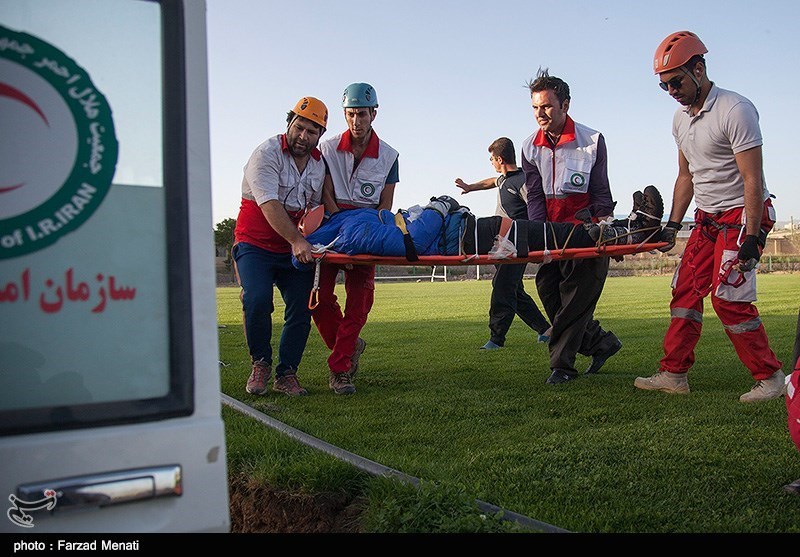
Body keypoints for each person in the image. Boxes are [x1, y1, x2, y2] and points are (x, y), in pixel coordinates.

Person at [634, 31, 784, 402]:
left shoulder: (736, 109)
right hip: (706, 217)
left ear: (699, 70)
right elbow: (686, 177)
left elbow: (752, 178)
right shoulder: (679, 121)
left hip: (743, 214)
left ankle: (771, 378)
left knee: (729, 299)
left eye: (677, 82)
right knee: (684, 292)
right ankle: (674, 375)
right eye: (664, 86)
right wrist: (672, 225)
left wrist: (752, 236)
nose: (672, 91)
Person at [522, 69, 630, 385]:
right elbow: (536, 197)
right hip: (553, 235)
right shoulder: (529, 147)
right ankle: (602, 343)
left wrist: (605, 232)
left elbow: (600, 193)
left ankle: (562, 367)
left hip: (587, 234)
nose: (540, 114)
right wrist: (539, 237)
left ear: (565, 105)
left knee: (574, 301)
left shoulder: (592, 141)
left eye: (546, 106)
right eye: (535, 108)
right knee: (548, 290)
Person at [232, 96, 329, 397]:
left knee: (302, 306)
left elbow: (318, 208)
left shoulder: (319, 165)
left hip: (293, 248)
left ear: (320, 136)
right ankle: (260, 363)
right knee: (258, 299)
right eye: (299, 127)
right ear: (289, 123)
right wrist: (297, 240)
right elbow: (269, 204)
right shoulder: (266, 153)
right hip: (255, 244)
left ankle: (287, 373)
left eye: (311, 132)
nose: (303, 136)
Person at [314, 83, 399, 395]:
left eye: (361, 114)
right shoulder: (327, 148)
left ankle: (340, 369)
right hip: (333, 224)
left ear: (373, 113)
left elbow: (385, 206)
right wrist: (340, 222)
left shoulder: (390, 155)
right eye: (350, 114)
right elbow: (324, 191)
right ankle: (350, 346)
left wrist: (362, 234)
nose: (355, 120)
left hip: (367, 228)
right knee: (318, 299)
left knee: (360, 302)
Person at [455, 137, 551, 350]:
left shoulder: (524, 181)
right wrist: (470, 187)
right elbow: (490, 181)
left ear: (499, 158)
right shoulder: (503, 180)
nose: (491, 163)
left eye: (492, 159)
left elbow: (536, 207)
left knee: (503, 287)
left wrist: (536, 236)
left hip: (517, 244)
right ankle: (545, 330)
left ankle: (496, 339)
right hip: (499, 244)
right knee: (515, 290)